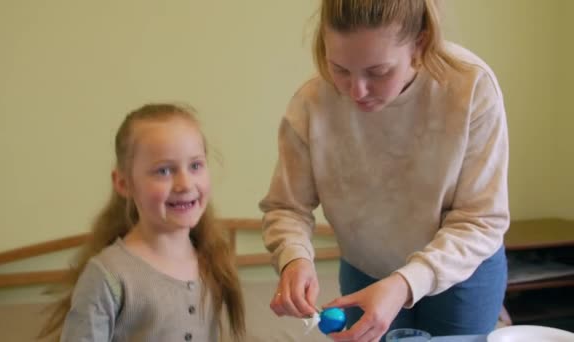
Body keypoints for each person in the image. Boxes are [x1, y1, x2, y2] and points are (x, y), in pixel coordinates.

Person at [259, 0, 509, 341]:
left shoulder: (469, 87)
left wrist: (406, 282)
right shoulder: (311, 104)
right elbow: (287, 208)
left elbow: (481, 219)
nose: (356, 91)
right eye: (340, 69)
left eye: (378, 72)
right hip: (368, 267)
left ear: (420, 45)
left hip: (460, 271)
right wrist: (294, 258)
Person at [39, 104, 245, 341]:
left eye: (195, 166)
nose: (185, 184)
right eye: (164, 171)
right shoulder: (108, 275)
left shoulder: (212, 259)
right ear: (124, 183)